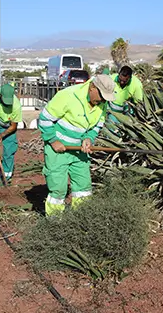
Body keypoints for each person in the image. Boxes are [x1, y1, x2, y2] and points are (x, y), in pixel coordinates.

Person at [38, 75, 116, 216]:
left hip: (80, 151)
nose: (103, 101)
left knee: (83, 188)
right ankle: (55, 224)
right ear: (92, 87)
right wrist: (53, 140)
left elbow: (97, 125)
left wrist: (88, 138)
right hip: (58, 151)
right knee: (58, 189)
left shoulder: (101, 103)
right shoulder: (68, 96)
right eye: (102, 96)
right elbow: (44, 119)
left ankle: (81, 219)